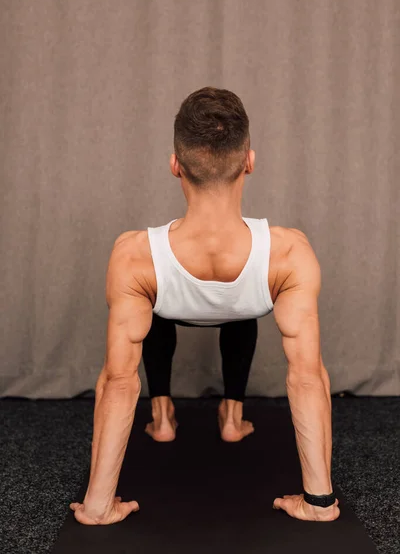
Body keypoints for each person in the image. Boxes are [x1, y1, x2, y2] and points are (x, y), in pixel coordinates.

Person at [70, 87, 340, 525]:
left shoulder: (134, 255)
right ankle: (233, 419)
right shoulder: (289, 253)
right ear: (249, 161)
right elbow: (308, 377)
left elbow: (118, 382)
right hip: (251, 295)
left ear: (174, 165)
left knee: (146, 310)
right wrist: (319, 503)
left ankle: (161, 419)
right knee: (250, 314)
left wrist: (98, 505)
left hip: (164, 295)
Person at [142, 314, 258, 443]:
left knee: (154, 303)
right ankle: (232, 420)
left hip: (176, 301)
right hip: (224, 302)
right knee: (242, 306)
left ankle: (162, 420)